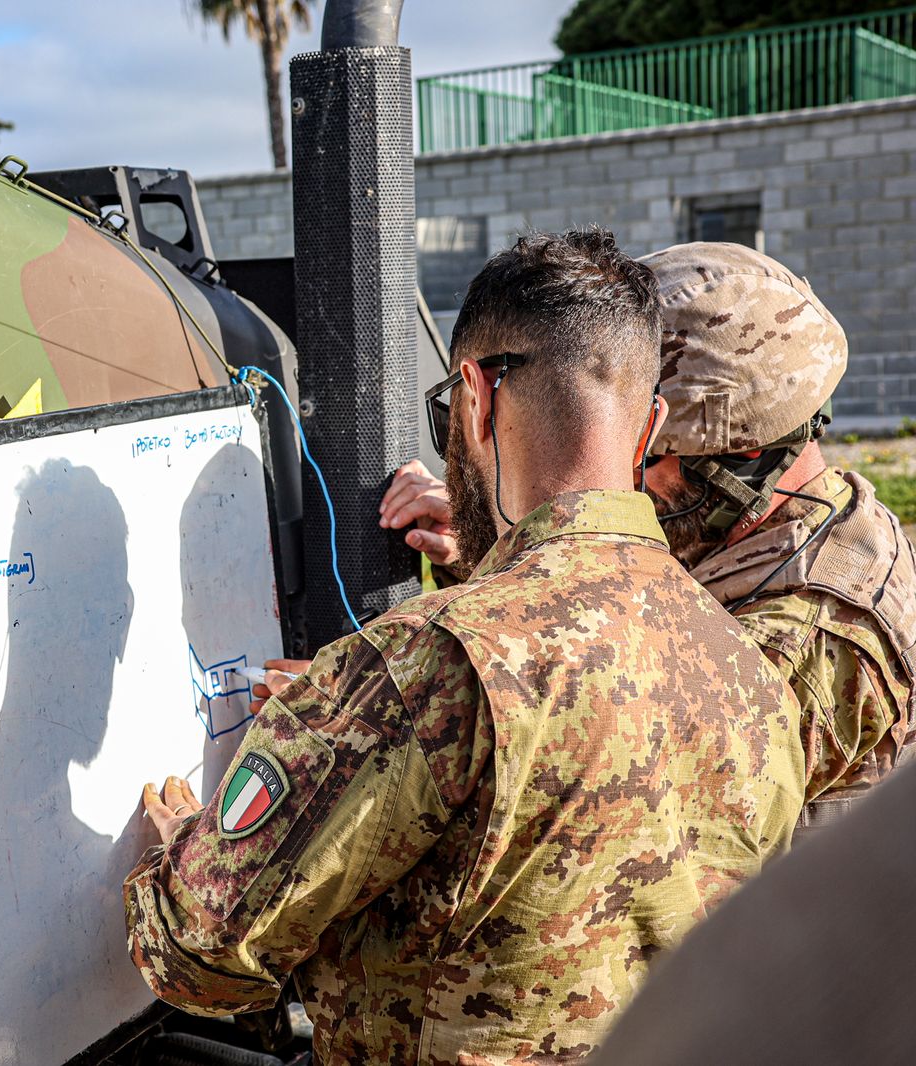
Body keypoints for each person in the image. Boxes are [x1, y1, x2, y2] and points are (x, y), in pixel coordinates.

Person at [124, 229, 806, 1064]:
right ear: (648, 425)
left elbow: (198, 958)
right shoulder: (749, 665)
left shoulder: (426, 666)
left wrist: (176, 858)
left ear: (478, 397)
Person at [378, 241, 916, 840]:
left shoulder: (809, 639)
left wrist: (382, 741)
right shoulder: (768, 526)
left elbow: (602, 806)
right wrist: (498, 548)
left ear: (742, 458)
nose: (610, 474)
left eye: (638, 451)